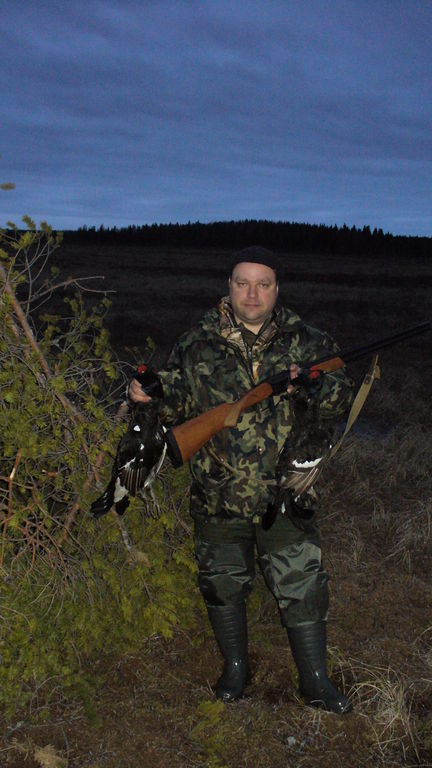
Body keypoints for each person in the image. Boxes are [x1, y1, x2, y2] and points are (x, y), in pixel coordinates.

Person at [129, 246, 355, 714]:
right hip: (218, 494)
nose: (252, 294)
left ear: (277, 288)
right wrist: (148, 394)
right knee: (222, 583)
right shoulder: (196, 343)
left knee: (302, 584)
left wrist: (315, 387)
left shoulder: (308, 342)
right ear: (228, 287)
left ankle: (315, 680)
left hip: (287, 492)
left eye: (263, 284)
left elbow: (341, 397)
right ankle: (235, 668)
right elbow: (171, 400)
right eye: (242, 283)